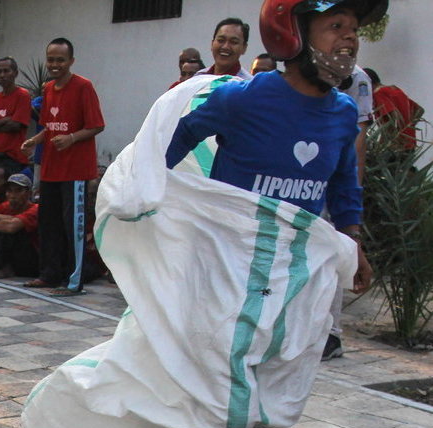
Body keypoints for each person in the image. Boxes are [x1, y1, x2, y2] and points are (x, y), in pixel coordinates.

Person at [166, 0, 382, 360]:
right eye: (336, 26)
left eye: (355, 29)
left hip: (289, 279)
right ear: (292, 34)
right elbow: (177, 140)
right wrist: (155, 200)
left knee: (270, 380)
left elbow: (344, 183)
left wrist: (353, 241)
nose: (350, 38)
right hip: (226, 273)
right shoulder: (242, 100)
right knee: (208, 374)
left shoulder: (343, 113)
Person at [20, 37, 105, 296]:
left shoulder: (83, 87)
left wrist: (71, 139)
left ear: (71, 61)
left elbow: (97, 125)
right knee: (49, 223)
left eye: (60, 60)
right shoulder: (47, 89)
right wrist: (35, 140)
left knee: (73, 226)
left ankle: (74, 281)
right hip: (51, 168)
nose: (55, 65)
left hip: (75, 171)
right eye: (51, 60)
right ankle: (49, 274)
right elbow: (49, 125)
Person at [0, 56, 32, 173]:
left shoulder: (23, 96)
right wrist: (5, 120)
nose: (2, 75)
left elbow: (15, 126)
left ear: (15, 73)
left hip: (11, 157)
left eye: (6, 71)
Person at [365, 67, 423, 151]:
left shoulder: (378, 93)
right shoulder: (393, 89)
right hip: (409, 144)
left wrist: (380, 146)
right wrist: (407, 128)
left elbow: (392, 120)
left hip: (395, 148)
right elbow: (419, 110)